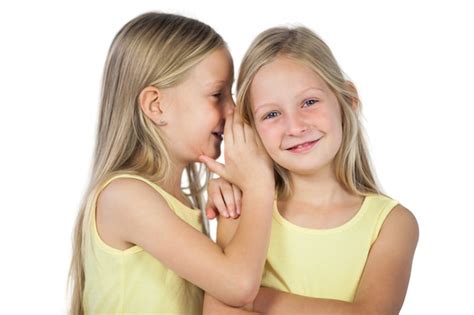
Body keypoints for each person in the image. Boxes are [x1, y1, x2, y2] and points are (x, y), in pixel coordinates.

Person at [68, 12, 274, 315]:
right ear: (156, 105)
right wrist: (259, 185)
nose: (232, 110)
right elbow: (239, 286)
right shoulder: (125, 197)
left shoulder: (182, 202)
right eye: (217, 94)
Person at [203, 26, 419, 314]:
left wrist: (252, 298)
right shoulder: (243, 208)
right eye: (272, 114)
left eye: (309, 102)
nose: (295, 127)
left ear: (348, 101)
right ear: (250, 128)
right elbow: (220, 311)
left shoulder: (392, 224)